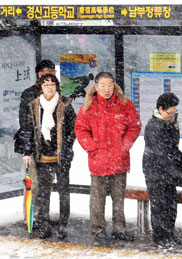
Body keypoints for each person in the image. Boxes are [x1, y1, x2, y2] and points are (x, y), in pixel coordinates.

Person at [74, 72, 141, 245]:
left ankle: (120, 229)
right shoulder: (88, 107)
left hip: (119, 161)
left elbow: (134, 126)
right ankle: (98, 230)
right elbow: (80, 130)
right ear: (96, 87)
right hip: (98, 161)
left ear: (114, 86)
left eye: (109, 85)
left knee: (119, 199)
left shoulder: (125, 105)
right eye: (102, 85)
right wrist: (92, 148)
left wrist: (125, 146)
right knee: (98, 200)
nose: (106, 89)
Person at [19, 74, 75, 239]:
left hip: (62, 155)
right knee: (44, 193)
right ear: (40, 87)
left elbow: (73, 129)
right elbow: (28, 130)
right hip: (42, 155)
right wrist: (27, 151)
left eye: (52, 84)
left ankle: (63, 224)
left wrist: (65, 146)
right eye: (46, 85)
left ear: (57, 86)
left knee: (64, 191)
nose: (49, 88)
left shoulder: (66, 104)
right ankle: (44, 224)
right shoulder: (34, 105)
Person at [15, 60, 57, 228]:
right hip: (32, 146)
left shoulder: (56, 92)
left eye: (52, 71)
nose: (49, 73)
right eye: (45, 70)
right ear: (38, 73)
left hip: (50, 147)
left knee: (47, 184)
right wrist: (26, 150)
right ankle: (31, 217)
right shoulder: (29, 94)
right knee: (34, 184)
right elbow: (24, 124)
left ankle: (42, 216)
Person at [142, 92, 182, 248]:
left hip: (168, 171)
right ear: (160, 109)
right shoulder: (154, 126)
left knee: (170, 205)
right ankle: (160, 238)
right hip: (155, 171)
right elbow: (162, 154)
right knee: (159, 206)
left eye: (175, 111)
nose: (173, 114)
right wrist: (177, 172)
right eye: (170, 112)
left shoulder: (170, 122)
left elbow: (173, 148)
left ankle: (169, 234)